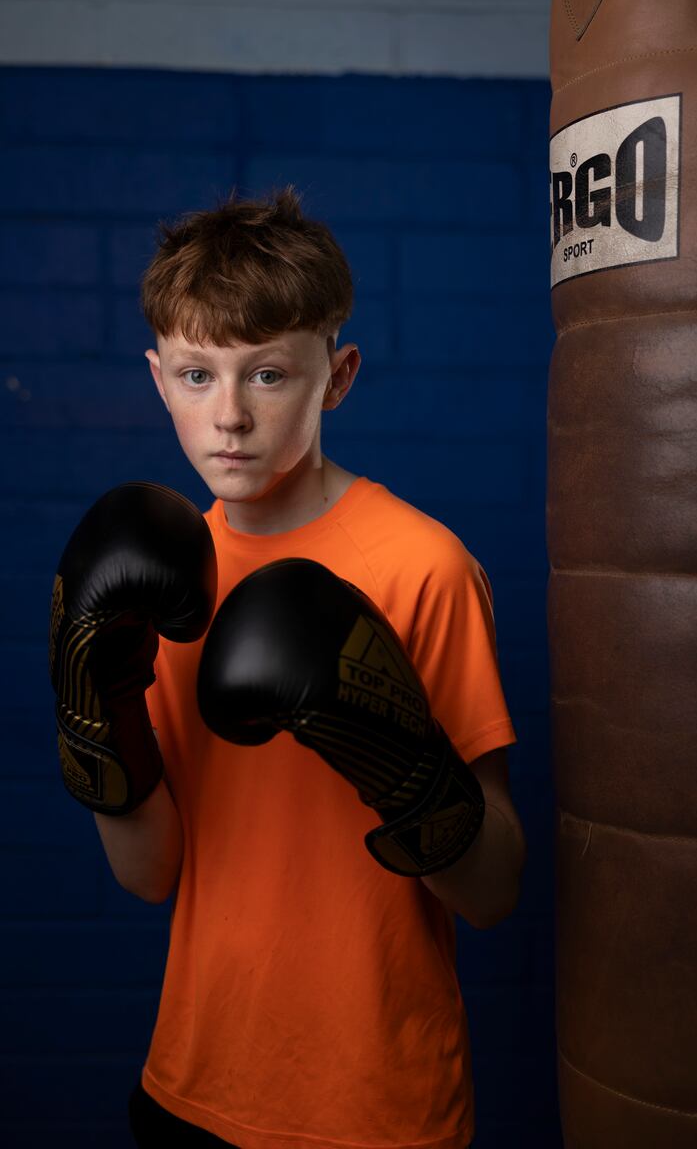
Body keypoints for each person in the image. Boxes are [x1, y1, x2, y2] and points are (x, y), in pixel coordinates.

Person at [49, 185, 527, 1149]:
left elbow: (493, 894)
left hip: (373, 1106)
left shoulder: (422, 567)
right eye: (196, 376)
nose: (227, 417)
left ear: (337, 376)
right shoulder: (156, 581)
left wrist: (398, 760)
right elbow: (152, 877)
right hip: (192, 1084)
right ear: (156, 379)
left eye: (267, 377)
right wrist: (91, 703)